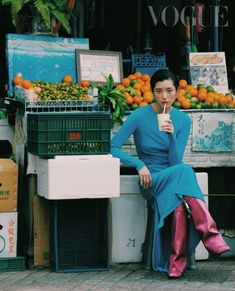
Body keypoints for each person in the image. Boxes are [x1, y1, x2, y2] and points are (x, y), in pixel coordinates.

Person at [111, 69, 229, 278]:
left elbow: (175, 162)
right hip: (150, 180)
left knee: (179, 195)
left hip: (173, 176)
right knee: (185, 171)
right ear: (152, 92)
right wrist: (138, 164)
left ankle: (176, 262)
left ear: (177, 91)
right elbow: (113, 146)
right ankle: (210, 235)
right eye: (159, 91)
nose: (164, 96)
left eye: (169, 91)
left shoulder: (182, 120)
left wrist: (172, 136)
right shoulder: (139, 115)